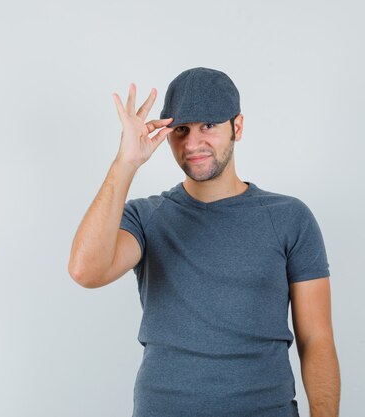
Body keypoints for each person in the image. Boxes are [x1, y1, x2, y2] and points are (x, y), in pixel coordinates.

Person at [68, 67, 341, 417]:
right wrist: (126, 162)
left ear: (236, 127)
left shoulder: (289, 218)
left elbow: (316, 339)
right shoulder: (147, 217)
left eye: (208, 125)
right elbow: (85, 270)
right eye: (181, 129)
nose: (193, 143)